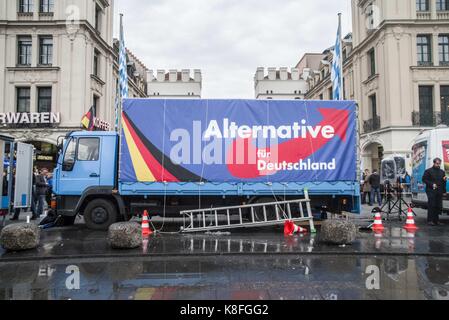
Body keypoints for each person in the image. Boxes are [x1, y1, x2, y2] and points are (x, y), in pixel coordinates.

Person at [422, 158, 447, 226]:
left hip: (439, 191)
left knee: (438, 205)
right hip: (431, 190)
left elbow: (443, 182)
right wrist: (432, 184)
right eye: (437, 163)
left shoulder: (442, 172)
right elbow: (424, 179)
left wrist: (444, 191)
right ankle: (430, 220)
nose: (438, 165)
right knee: (431, 205)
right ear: (434, 163)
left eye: (439, 163)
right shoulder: (428, 171)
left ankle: (436, 220)